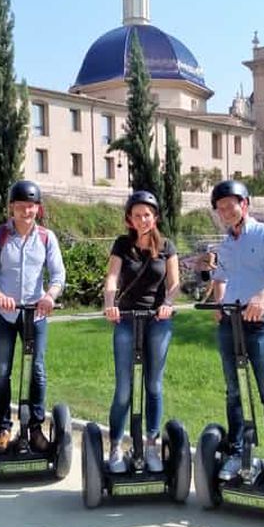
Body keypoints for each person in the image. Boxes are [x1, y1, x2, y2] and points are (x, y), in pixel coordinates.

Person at [208, 180, 264, 489]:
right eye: (220, 209)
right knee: (234, 391)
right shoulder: (225, 244)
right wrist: (219, 303)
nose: (225, 212)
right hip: (230, 324)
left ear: (244, 204)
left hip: (260, 323)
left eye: (230, 206)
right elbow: (220, 277)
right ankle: (236, 452)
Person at [0, 180, 65, 453]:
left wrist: (50, 295)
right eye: (21, 206)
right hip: (3, 314)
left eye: (31, 206)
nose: (27, 211)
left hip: (34, 314)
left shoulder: (46, 238)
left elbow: (58, 274)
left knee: (37, 370)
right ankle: (4, 428)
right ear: (11, 208)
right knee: (1, 371)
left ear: (38, 208)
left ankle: (35, 427)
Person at [103, 190, 179, 473]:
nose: (142, 219)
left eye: (147, 214)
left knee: (153, 385)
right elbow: (112, 277)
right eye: (137, 215)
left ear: (155, 217)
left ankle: (151, 445)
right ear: (129, 220)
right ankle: (115, 447)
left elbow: (174, 284)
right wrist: (110, 304)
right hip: (126, 318)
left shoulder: (167, 246)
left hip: (157, 320)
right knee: (124, 389)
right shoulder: (123, 244)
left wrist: (168, 304)